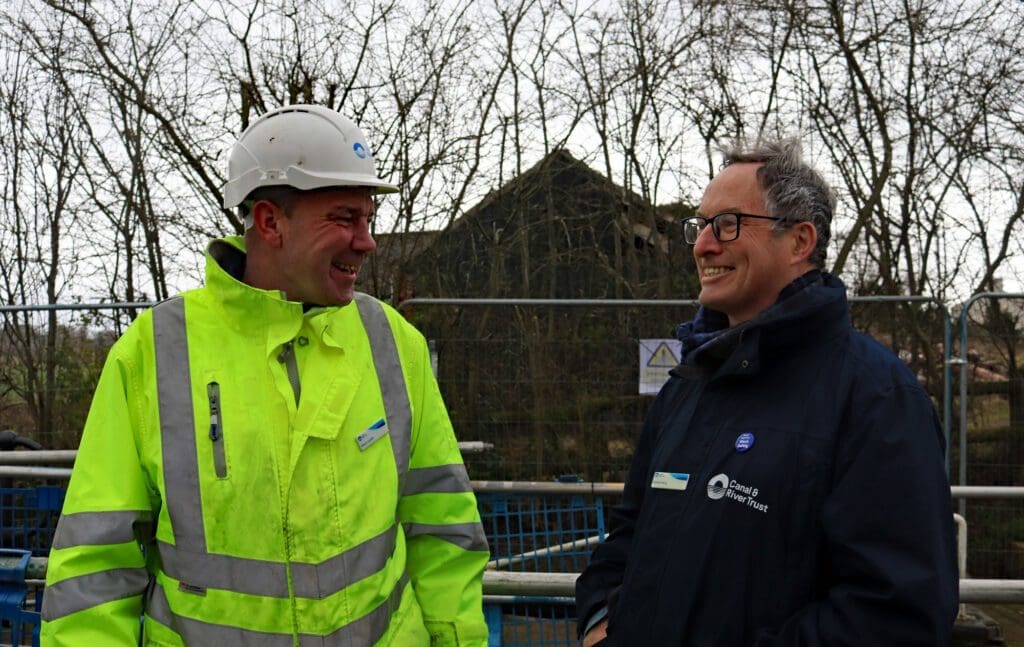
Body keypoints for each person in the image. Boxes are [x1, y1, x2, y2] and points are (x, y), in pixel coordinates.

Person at [41, 104, 489, 646]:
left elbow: (443, 530)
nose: (367, 241)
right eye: (345, 218)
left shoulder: (394, 344)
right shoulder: (153, 352)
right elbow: (95, 566)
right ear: (270, 222)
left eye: (367, 219)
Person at [575, 138, 958, 646]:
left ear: (799, 242)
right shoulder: (689, 383)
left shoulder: (876, 397)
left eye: (727, 224)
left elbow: (895, 613)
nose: (703, 245)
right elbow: (628, 532)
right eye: (700, 225)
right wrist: (600, 620)